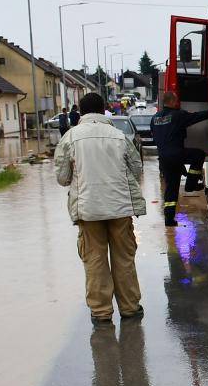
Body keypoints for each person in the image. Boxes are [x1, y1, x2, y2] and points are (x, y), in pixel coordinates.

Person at [55, 92, 145, 325]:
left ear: (81, 112)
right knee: (124, 259)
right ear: (104, 110)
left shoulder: (70, 137)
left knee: (94, 259)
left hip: (88, 209)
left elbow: (62, 177)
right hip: (120, 208)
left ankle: (101, 312)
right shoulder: (119, 136)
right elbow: (136, 169)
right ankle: (130, 308)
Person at [151, 91, 208, 227]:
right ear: (173, 101)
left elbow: (155, 136)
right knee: (199, 155)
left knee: (171, 188)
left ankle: (169, 219)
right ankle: (191, 185)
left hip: (164, 158)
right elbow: (195, 117)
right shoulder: (178, 115)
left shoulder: (155, 118)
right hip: (177, 153)